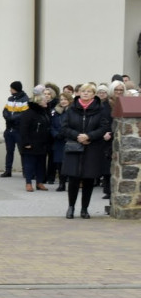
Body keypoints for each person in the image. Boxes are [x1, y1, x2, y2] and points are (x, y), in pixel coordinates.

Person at [60, 83, 110, 219]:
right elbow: (64, 127)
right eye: (83, 91)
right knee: (73, 179)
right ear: (78, 93)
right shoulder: (71, 109)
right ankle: (71, 207)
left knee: (88, 179)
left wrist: (89, 136)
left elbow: (104, 127)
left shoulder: (100, 109)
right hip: (74, 148)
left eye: (89, 91)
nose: (86, 93)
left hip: (92, 148)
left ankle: (84, 209)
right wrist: (78, 136)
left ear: (94, 94)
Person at [18, 94, 51, 192]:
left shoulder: (44, 112)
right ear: (39, 101)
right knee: (29, 163)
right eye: (45, 100)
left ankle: (39, 182)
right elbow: (23, 129)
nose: (47, 101)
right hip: (30, 143)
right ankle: (28, 183)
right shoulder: (28, 113)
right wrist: (26, 143)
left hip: (42, 143)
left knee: (41, 164)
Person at [1, 81, 29, 177]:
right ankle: (8, 170)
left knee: (22, 151)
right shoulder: (10, 98)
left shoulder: (25, 99)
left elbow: (24, 113)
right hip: (9, 128)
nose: (10, 90)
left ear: (15, 89)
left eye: (11, 88)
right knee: (9, 151)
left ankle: (25, 171)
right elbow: (5, 110)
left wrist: (12, 118)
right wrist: (7, 117)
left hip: (19, 129)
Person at [50, 92, 70, 192]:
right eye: (61, 99)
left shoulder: (72, 111)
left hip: (68, 139)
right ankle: (61, 184)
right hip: (58, 140)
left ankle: (71, 181)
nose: (63, 101)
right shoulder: (55, 111)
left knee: (69, 162)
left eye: (65, 99)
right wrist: (55, 134)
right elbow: (51, 125)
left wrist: (65, 133)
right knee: (59, 163)